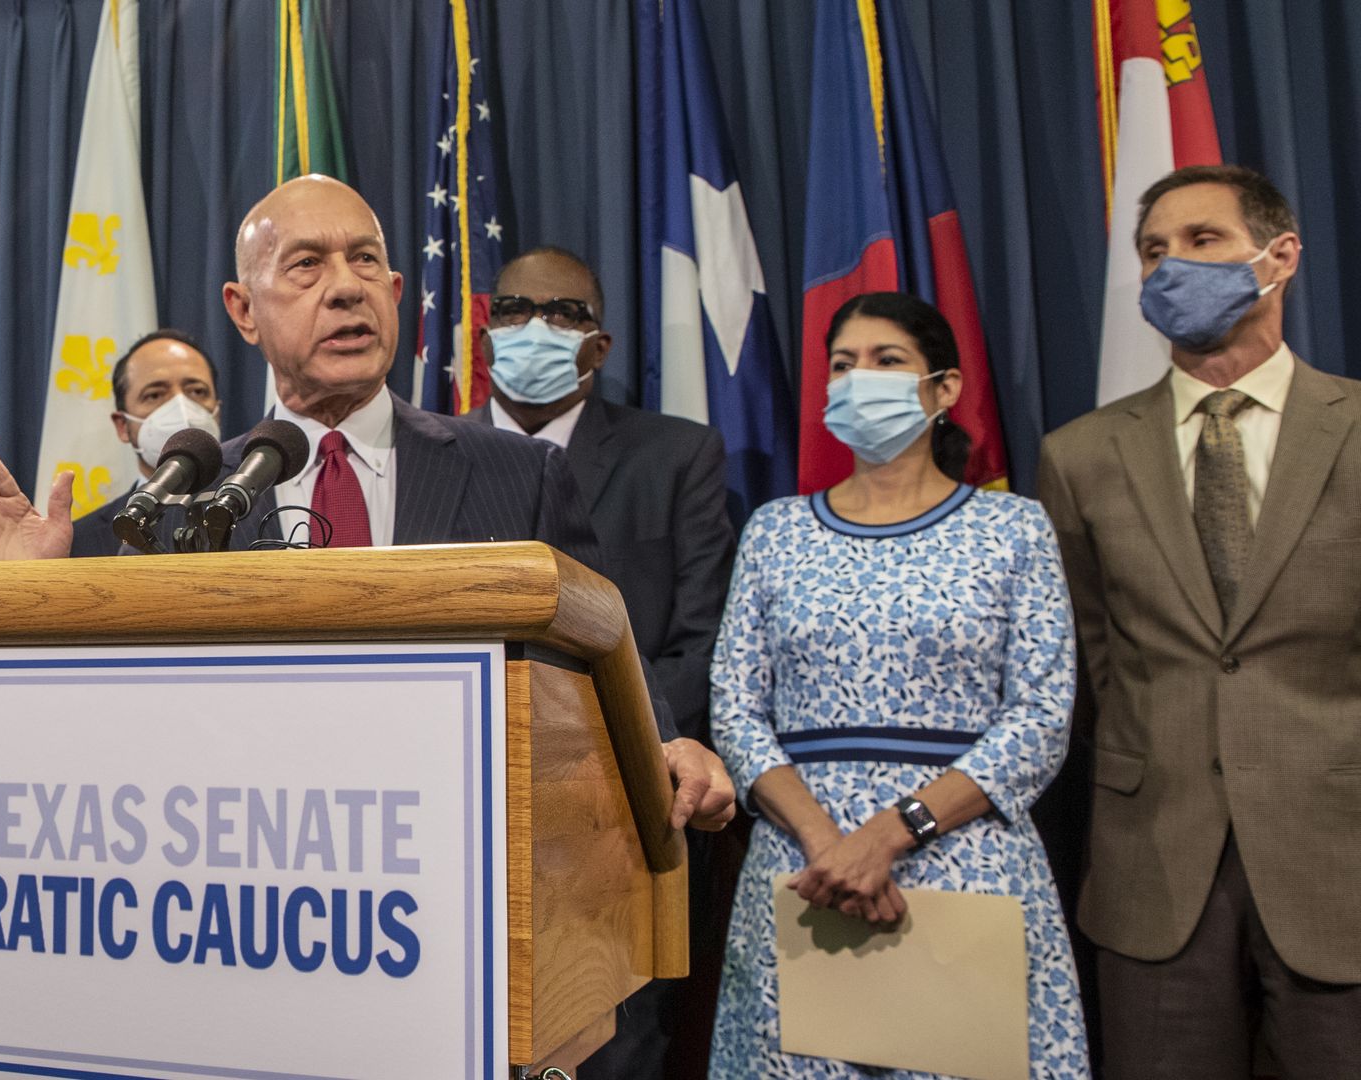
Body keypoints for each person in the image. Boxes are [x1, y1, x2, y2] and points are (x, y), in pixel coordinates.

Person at [0, 174, 736, 834]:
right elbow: (110, 723)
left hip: (469, 857)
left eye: (365, 262)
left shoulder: (520, 472)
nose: (347, 287)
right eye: (306, 266)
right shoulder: (184, 496)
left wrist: (666, 744)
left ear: (395, 294)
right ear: (244, 309)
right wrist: (26, 602)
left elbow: (600, 664)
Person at [709, 291, 1087, 1076]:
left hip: (964, 867)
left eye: (887, 362)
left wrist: (889, 835)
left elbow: (1042, 715)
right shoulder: (775, 531)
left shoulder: (1012, 528)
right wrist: (828, 845)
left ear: (944, 388)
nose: (859, 381)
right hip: (805, 874)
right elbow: (736, 709)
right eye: (842, 366)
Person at [1036, 164, 1361, 1076]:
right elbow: (1089, 670)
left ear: (1280, 256)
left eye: (1201, 241)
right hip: (1156, 876)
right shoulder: (1080, 455)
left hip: (1340, 870)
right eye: (1152, 252)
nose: (1170, 266)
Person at [478, 246, 737, 1077]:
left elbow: (697, 644)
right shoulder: (429, 454)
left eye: (564, 314)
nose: (535, 328)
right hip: (462, 816)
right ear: (485, 330)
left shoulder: (678, 456)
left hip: (618, 820)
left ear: (602, 344)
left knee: (615, 1049)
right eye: (514, 310)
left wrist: (605, 766)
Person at [70, 331, 223, 557]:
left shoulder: (260, 508)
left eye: (197, 391)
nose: (181, 407)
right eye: (154, 395)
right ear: (123, 425)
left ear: (217, 413)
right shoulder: (81, 540)